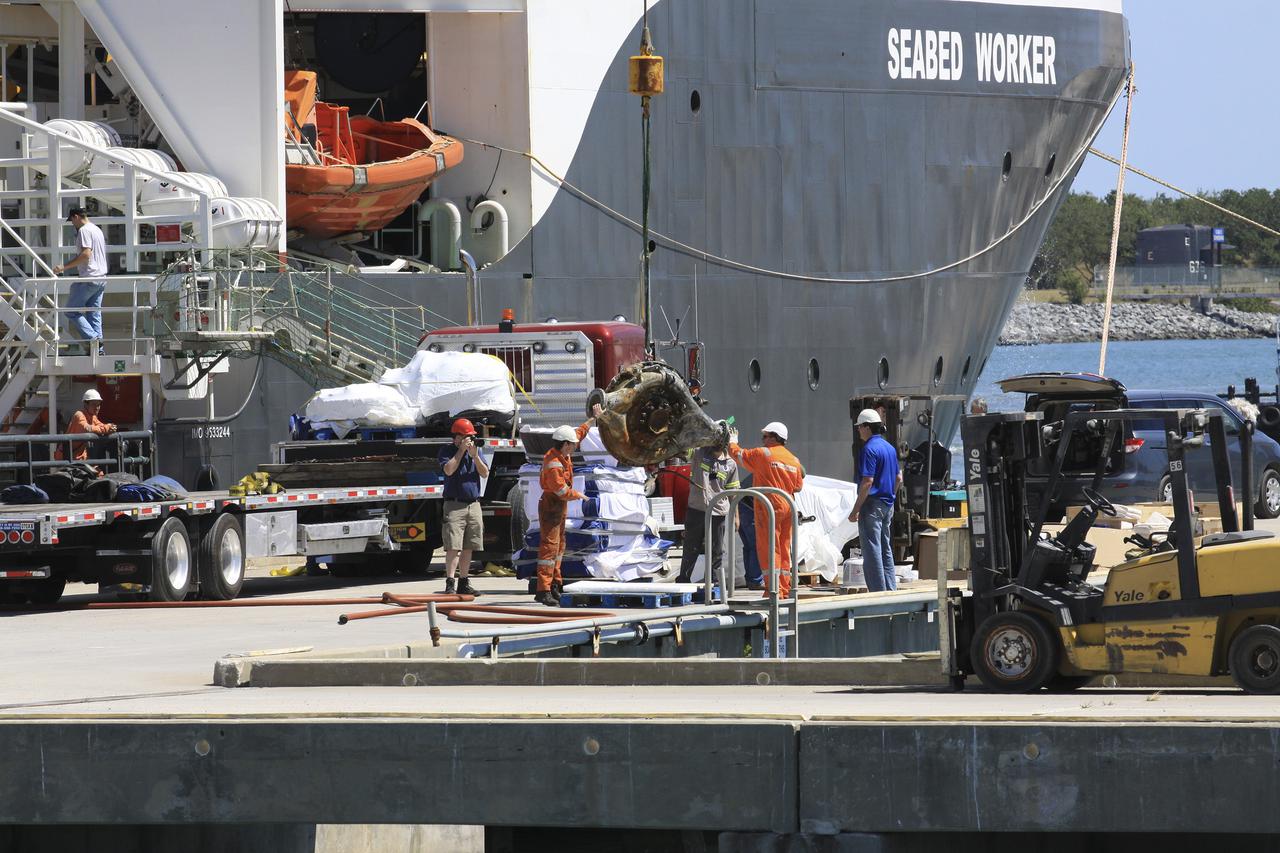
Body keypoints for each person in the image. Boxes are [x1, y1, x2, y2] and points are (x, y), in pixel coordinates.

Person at [534, 403, 603, 606]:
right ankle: (543, 589)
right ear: (565, 445)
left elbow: (579, 433)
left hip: (557, 508)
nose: (576, 446)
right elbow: (561, 491)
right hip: (551, 506)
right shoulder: (553, 463)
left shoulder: (563, 454)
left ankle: (555, 585)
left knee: (559, 547)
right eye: (572, 445)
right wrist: (579, 496)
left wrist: (594, 418)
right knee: (549, 548)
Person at [729, 422, 805, 598]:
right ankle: (784, 589)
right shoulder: (794, 460)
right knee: (784, 547)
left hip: (769, 505)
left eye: (765, 436)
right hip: (788, 504)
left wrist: (732, 441)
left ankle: (773, 590)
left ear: (773, 437)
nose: (762, 440)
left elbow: (739, 455)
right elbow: (798, 486)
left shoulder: (763, 454)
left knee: (769, 547)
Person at [849, 408, 902, 592]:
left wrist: (856, 509)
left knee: (872, 550)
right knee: (885, 548)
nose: (858, 431)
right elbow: (898, 478)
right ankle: (890, 589)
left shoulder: (869, 449)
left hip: (872, 505)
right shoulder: (889, 448)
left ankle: (878, 592)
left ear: (866, 427)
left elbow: (867, 482)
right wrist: (891, 497)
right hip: (888, 504)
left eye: (859, 427)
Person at [676, 437, 740, 585]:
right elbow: (683, 448)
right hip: (696, 510)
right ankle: (683, 581)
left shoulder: (730, 464)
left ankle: (713, 583)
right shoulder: (699, 453)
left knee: (716, 551)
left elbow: (733, 492)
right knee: (691, 547)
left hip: (718, 513)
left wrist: (736, 517)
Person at [438, 418, 489, 596]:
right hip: (454, 504)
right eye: (467, 437)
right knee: (454, 546)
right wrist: (460, 452)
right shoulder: (447, 451)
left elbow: (484, 473)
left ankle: (464, 582)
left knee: (469, 546)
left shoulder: (475, 452)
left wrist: (474, 456)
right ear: (457, 438)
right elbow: (448, 470)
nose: (470, 440)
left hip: (473, 504)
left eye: (471, 437)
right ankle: (450, 583)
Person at [52, 207, 108, 355]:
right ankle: (99, 350)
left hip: (89, 277)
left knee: (70, 311)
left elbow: (86, 254)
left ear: (76, 217)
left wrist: (64, 267)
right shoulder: (97, 230)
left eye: (72, 220)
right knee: (94, 313)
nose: (72, 224)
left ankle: (94, 338)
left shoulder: (84, 230)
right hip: (101, 278)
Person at [68, 388, 117, 462]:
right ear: (85, 404)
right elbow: (87, 428)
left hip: (80, 456)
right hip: (68, 457)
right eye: (94, 404)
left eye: (99, 404)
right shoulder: (79, 415)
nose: (97, 407)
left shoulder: (93, 417)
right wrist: (106, 428)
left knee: (98, 473)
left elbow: (101, 426)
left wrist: (110, 427)